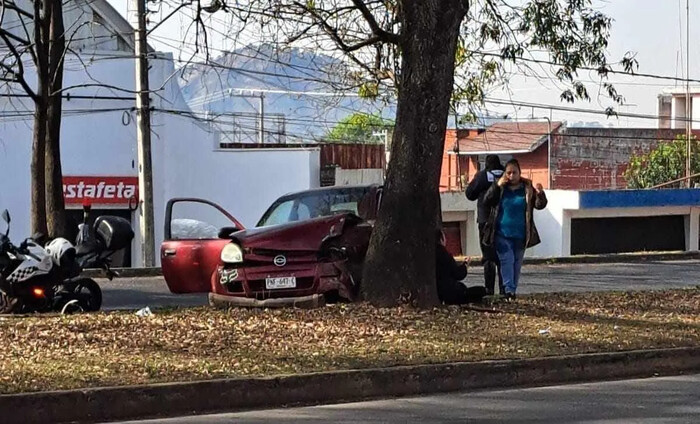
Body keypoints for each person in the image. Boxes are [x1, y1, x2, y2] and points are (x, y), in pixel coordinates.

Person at [481, 159, 547, 300]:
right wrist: (496, 186)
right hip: (502, 233)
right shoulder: (501, 187)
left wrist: (541, 194)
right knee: (507, 260)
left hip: (521, 234)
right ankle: (508, 290)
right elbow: (486, 201)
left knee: (516, 264)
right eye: (508, 173)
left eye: (514, 172)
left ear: (519, 173)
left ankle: (512, 291)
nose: (511, 176)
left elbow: (539, 205)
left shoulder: (527, 188)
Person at [465, 154, 505, 295]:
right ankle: (504, 289)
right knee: (502, 255)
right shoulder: (507, 175)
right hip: (503, 220)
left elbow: (469, 194)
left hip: (485, 221)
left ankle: (489, 289)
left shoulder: (482, 176)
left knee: (488, 256)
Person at [435, 230, 486, 305]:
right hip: (450, 291)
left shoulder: (432, 254)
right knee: (481, 291)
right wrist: (465, 265)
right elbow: (458, 274)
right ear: (441, 239)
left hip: (441, 290)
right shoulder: (444, 255)